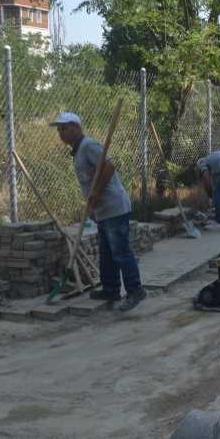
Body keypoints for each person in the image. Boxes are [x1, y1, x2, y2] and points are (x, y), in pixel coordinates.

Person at [50, 111, 145, 312]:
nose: (61, 133)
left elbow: (109, 166)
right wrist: (92, 203)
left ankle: (135, 290)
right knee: (107, 253)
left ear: (76, 127)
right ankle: (110, 289)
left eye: (64, 128)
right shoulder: (78, 150)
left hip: (114, 206)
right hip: (103, 209)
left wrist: (96, 192)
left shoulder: (88, 145)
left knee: (120, 251)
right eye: (59, 130)